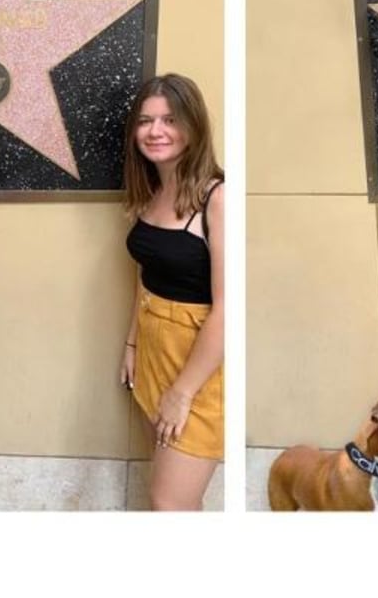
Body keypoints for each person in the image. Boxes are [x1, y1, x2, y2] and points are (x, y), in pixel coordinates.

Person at [120, 74, 224, 510]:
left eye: (169, 119)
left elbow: (228, 309)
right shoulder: (152, 191)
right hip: (152, 351)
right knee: (177, 499)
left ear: (193, 125)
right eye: (145, 121)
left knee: (168, 504)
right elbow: (147, 273)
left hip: (197, 363)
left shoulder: (218, 198)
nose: (156, 131)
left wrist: (182, 393)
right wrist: (132, 342)